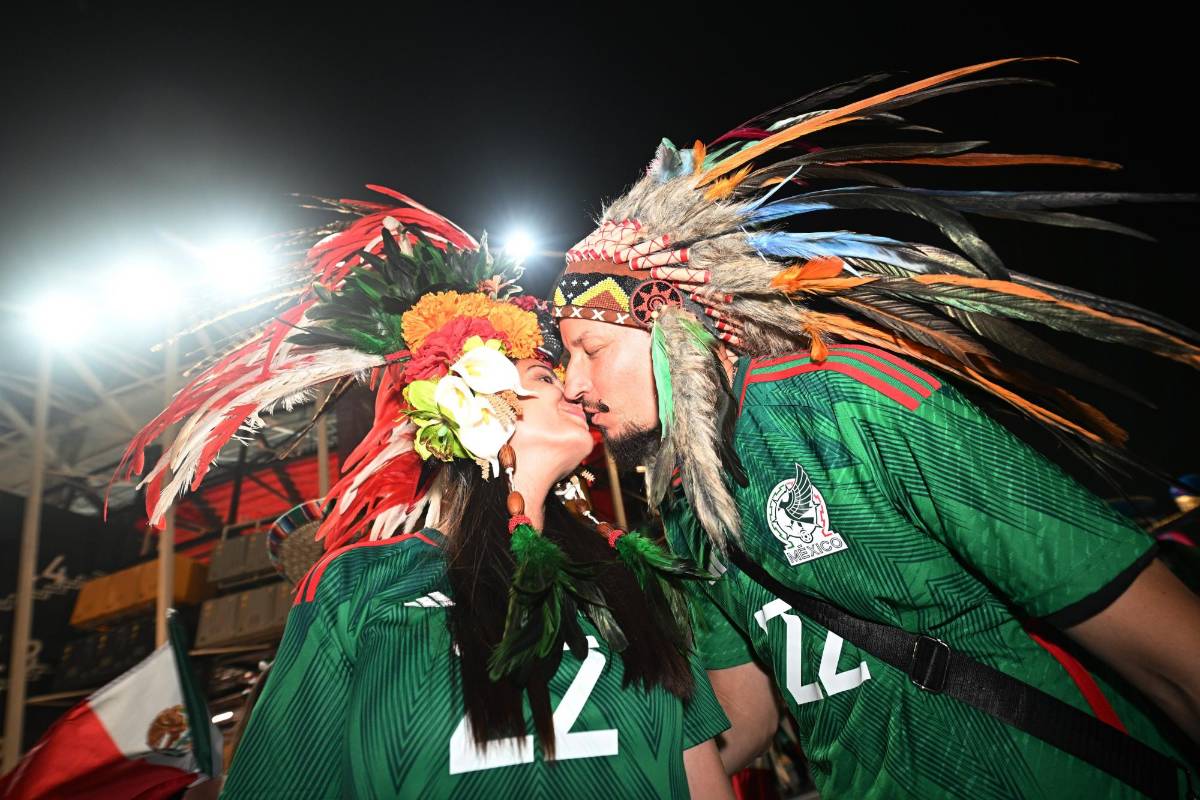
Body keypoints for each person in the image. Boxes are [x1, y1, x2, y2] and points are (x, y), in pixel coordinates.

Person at [549, 57, 1200, 798]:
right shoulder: (684, 505)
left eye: (591, 349)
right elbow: (745, 719)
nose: (574, 384)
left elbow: (1172, 655)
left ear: (677, 320)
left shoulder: (856, 403)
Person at [114, 189, 733, 798]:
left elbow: (702, 779)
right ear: (476, 404)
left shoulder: (634, 572)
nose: (576, 389)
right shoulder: (359, 586)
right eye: (545, 375)